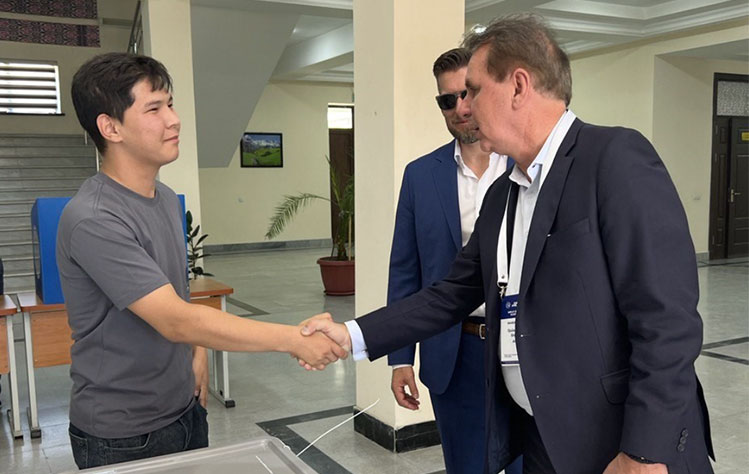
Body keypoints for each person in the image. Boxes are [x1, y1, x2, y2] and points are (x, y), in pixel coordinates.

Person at [299, 14, 714, 474]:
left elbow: (667, 323)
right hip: (538, 438)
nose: (466, 107)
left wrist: (644, 452)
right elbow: (450, 293)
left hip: (617, 446)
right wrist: (353, 335)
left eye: (474, 90)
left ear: (518, 86)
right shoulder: (505, 194)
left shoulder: (613, 160)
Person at [57, 52, 346, 469]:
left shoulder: (165, 200)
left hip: (185, 408)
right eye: (154, 108)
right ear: (110, 127)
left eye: (170, 104)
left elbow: (175, 294)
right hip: (123, 432)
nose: (173, 119)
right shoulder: (94, 218)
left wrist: (197, 350)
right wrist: (293, 339)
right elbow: (174, 318)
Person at [386, 48, 521, 474]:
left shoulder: (527, 166)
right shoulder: (420, 176)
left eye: (467, 93)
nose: (460, 108)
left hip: (523, 345)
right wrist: (400, 357)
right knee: (465, 466)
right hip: (454, 349)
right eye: (447, 100)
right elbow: (406, 271)